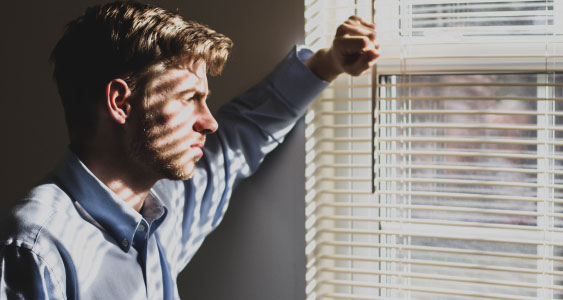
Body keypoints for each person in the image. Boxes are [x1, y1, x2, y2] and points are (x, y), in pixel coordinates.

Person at [0, 1, 378, 299]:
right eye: (189, 98)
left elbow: (239, 136)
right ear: (120, 102)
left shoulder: (164, 206)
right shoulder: (36, 248)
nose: (209, 122)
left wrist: (327, 63)